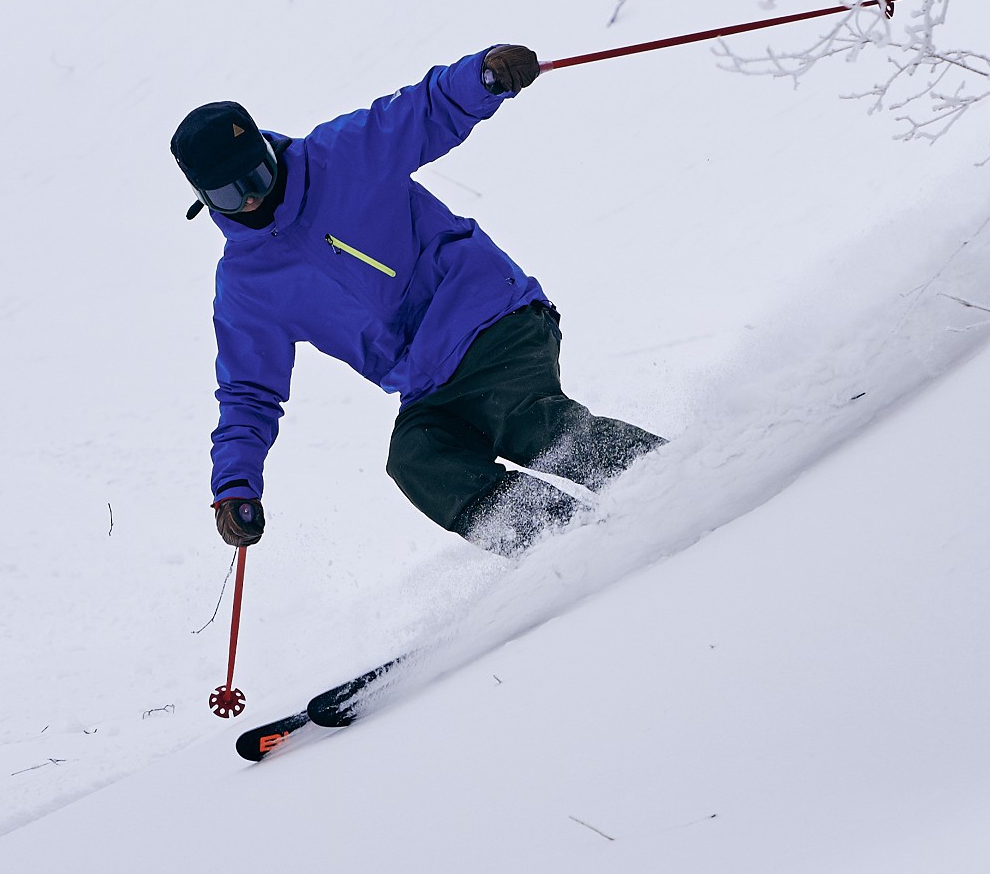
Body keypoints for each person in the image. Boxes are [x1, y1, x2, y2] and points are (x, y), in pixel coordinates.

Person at [172, 45, 664, 557]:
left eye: (256, 177)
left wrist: (486, 75)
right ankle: (566, 544)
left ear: (267, 152)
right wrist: (234, 486)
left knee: (522, 420)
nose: (250, 198)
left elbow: (424, 111)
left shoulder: (339, 156)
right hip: (428, 383)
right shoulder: (246, 286)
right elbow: (248, 392)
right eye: (230, 195)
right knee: (418, 457)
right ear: (206, 200)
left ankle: (671, 478)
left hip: (489, 318)